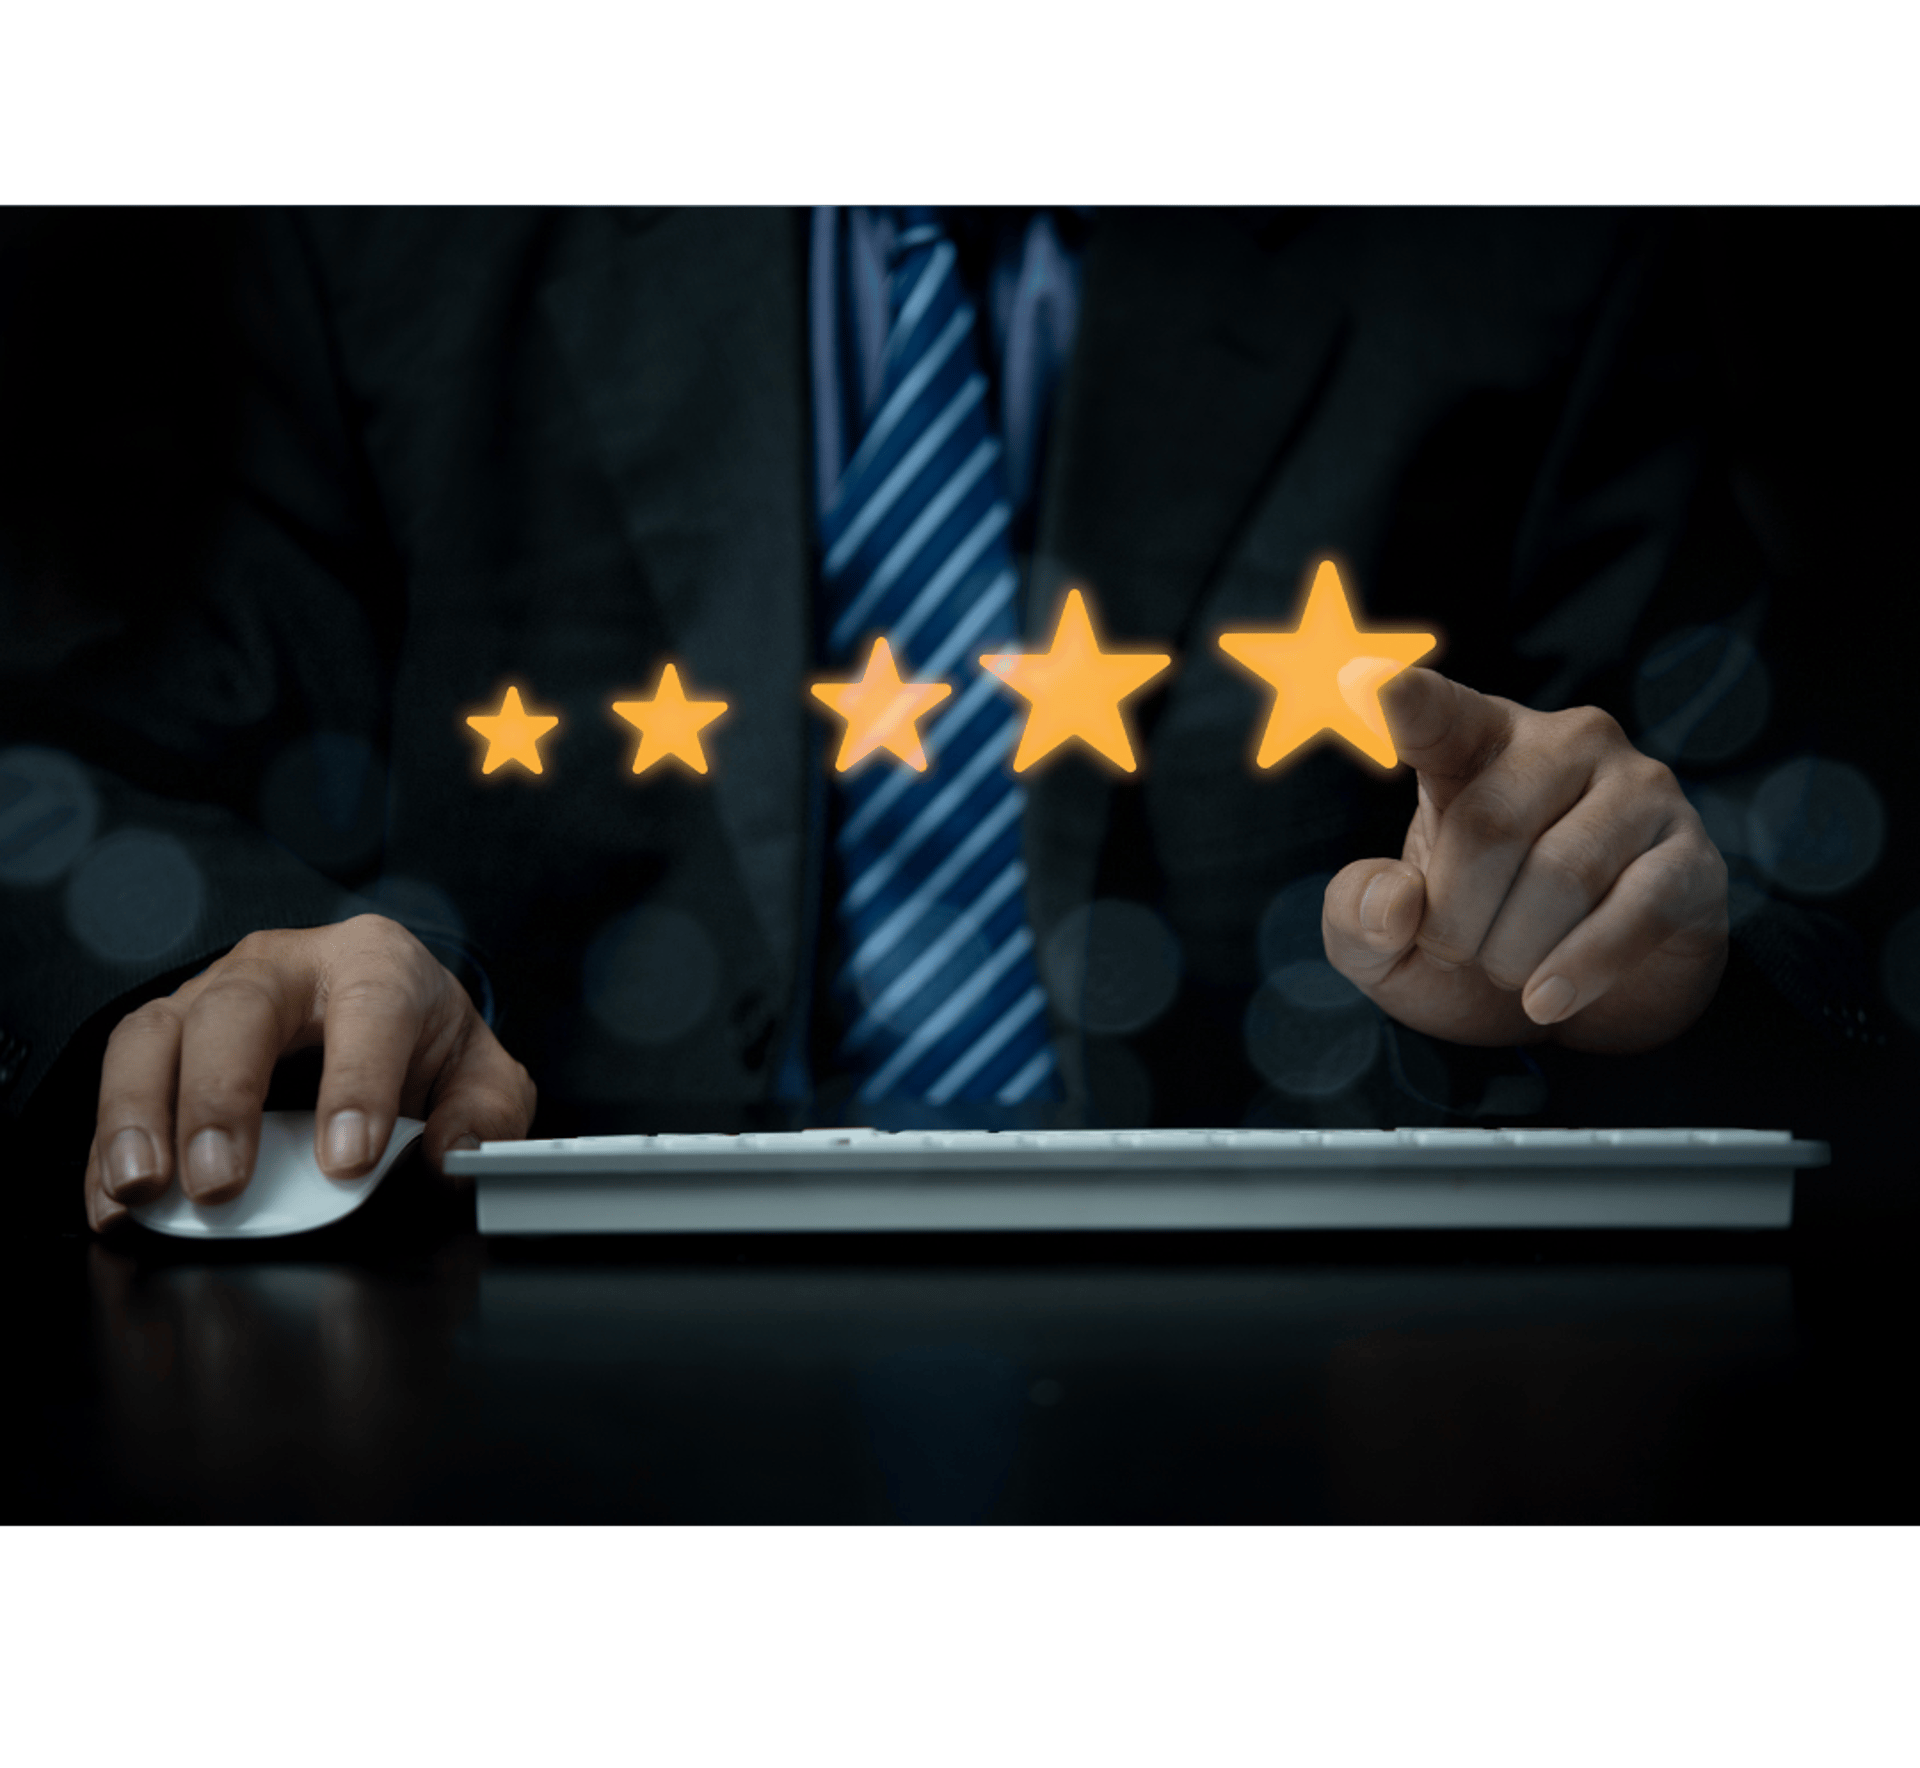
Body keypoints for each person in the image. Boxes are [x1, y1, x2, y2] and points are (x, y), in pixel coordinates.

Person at [0, 207, 1802, 1234]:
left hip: (1329, 1348)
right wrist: (254, 954)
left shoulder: (1524, 246)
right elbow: (86, 767)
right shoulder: (394, 235)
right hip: (525, 1336)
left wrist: (1658, 943)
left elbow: (1779, 835)